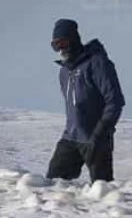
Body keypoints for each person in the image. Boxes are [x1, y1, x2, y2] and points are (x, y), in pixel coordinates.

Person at [46, 19, 126, 182]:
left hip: (96, 139)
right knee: (51, 186)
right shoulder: (64, 72)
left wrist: (100, 133)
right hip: (71, 138)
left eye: (63, 43)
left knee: (102, 191)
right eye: (56, 46)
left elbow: (115, 100)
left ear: (74, 39)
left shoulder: (97, 63)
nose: (60, 49)